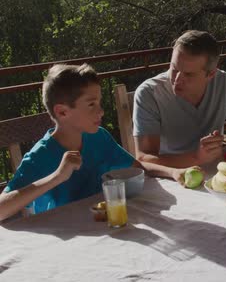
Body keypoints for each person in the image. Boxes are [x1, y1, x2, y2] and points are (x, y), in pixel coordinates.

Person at [0, 64, 192, 222]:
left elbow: (137, 168)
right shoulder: (39, 157)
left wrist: (174, 172)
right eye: (92, 104)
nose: (101, 112)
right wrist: (58, 177)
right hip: (68, 243)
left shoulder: (98, 136)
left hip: (108, 228)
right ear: (62, 112)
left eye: (100, 103)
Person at [133, 30, 226, 168]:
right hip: (171, 179)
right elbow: (144, 159)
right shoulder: (149, 94)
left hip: (219, 172)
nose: (177, 80)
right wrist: (196, 158)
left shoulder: (224, 82)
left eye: (188, 74)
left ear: (211, 74)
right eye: (174, 68)